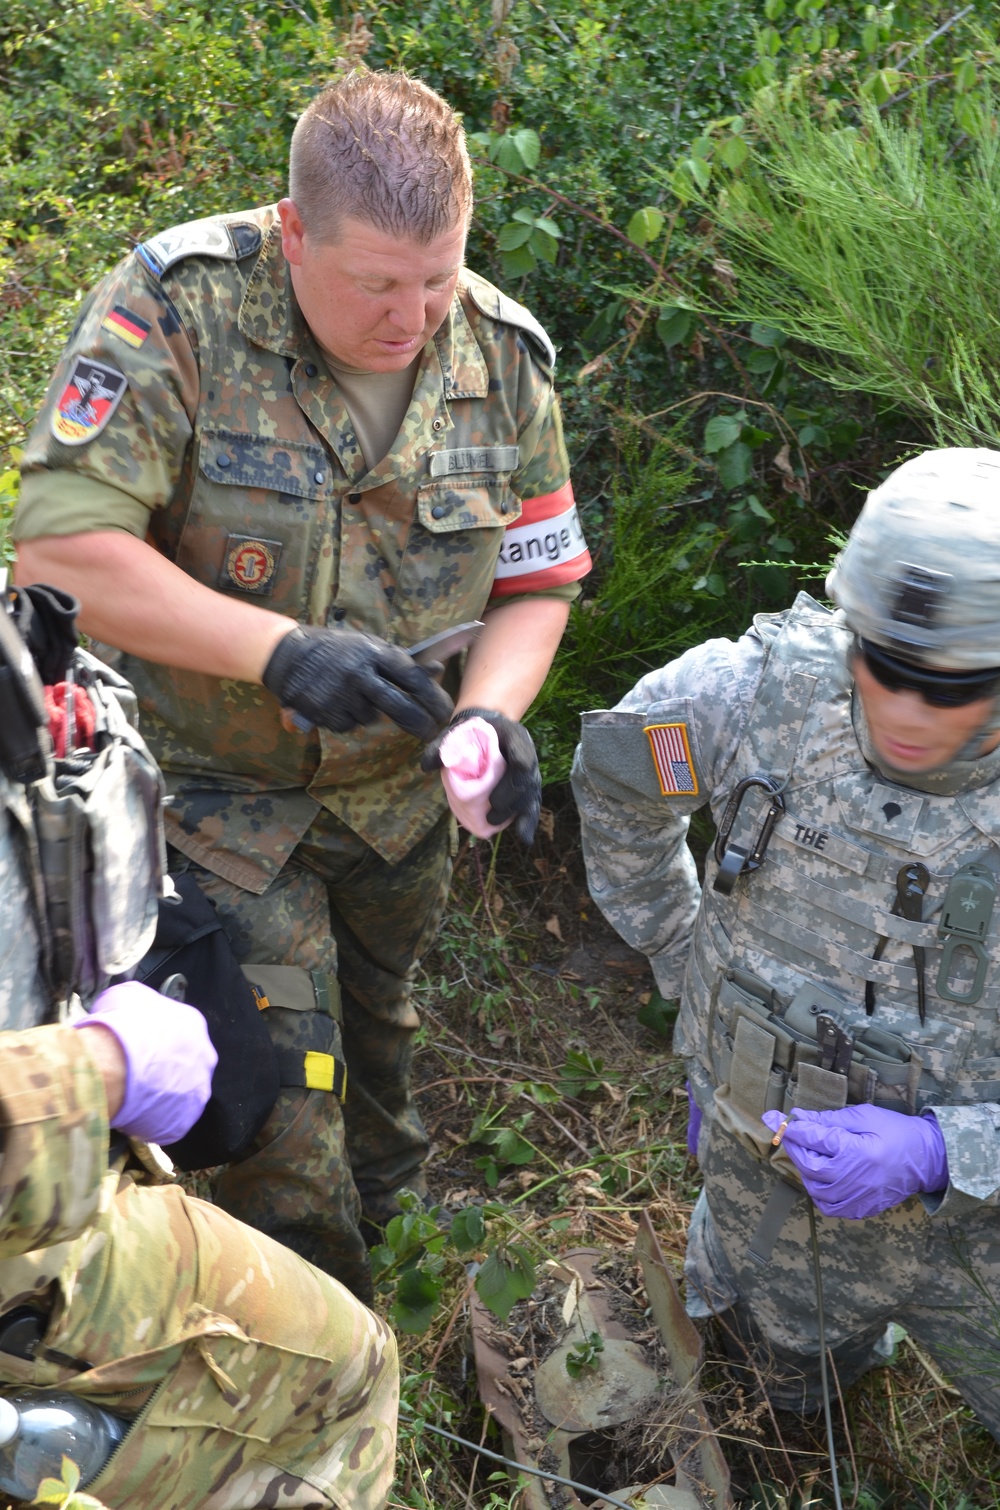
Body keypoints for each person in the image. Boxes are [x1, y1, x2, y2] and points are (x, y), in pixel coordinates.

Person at [13, 68, 591, 1300]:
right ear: (292, 231)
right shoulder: (176, 312)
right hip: (210, 796)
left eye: (438, 275)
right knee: (280, 1092)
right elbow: (60, 555)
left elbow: (537, 582)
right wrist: (274, 650)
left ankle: (389, 1235)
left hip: (395, 809)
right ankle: (318, 1348)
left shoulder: (505, 355)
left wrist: (492, 712)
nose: (414, 316)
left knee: (377, 1042)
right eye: (377, 282)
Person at [571, 447, 1000, 1438]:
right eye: (882, 667)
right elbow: (619, 777)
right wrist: (684, 957)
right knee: (787, 1387)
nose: (901, 710)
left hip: (978, 1237)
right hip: (767, 1192)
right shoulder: (756, 701)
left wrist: (943, 1151)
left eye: (947, 689)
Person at [0, 597, 398, 1509]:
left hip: (64, 1140)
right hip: (38, 1225)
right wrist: (95, 1071)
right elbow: (72, 544)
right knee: (352, 1376)